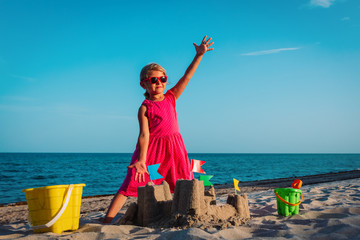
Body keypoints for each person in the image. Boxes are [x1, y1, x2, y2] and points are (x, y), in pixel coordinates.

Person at [104, 36, 214, 223]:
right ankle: (107, 220)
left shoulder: (171, 97)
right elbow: (144, 135)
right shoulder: (145, 107)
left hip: (174, 148)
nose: (159, 83)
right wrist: (141, 160)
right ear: (144, 84)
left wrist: (199, 56)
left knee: (181, 180)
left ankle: (181, 212)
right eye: (153, 80)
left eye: (163, 79)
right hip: (151, 150)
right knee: (132, 182)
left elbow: (187, 76)